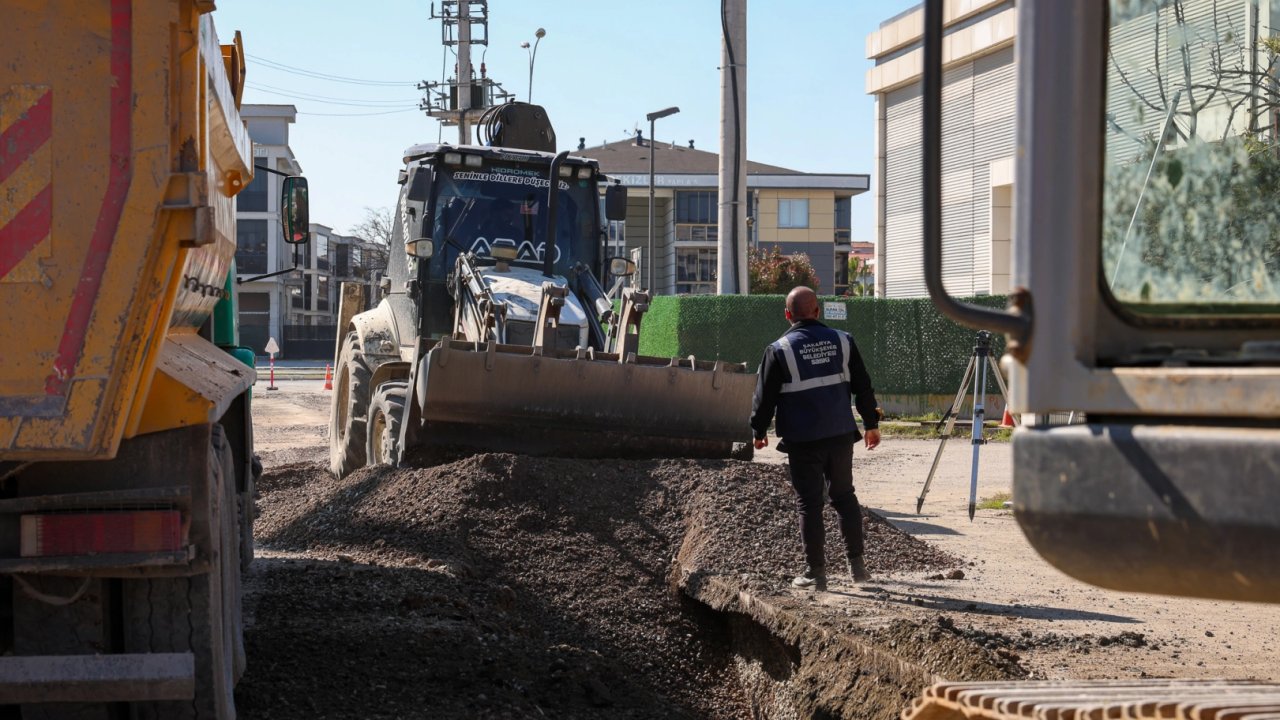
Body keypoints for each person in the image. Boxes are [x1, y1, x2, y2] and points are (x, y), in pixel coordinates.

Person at [750, 286, 882, 591]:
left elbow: (764, 397)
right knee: (844, 497)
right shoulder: (843, 341)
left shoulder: (779, 349)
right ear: (817, 311)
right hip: (839, 435)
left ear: (787, 315)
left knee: (809, 504)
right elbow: (863, 386)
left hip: (803, 439)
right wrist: (871, 424)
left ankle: (816, 573)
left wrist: (758, 431)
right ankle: (858, 567)